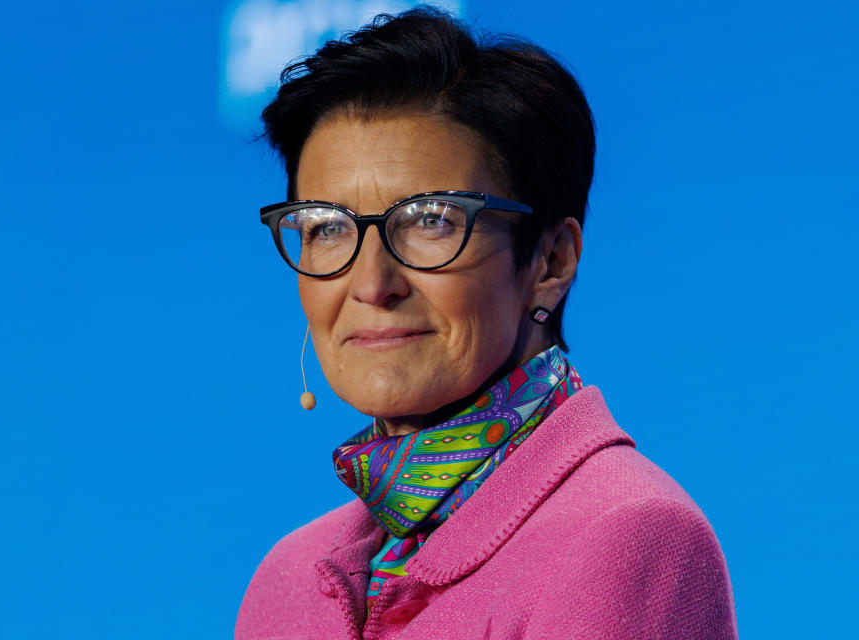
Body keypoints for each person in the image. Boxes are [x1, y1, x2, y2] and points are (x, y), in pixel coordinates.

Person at [236, 7, 737, 640]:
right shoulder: (288, 578)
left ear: (551, 260)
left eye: (430, 220)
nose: (370, 285)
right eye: (326, 228)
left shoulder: (628, 536)